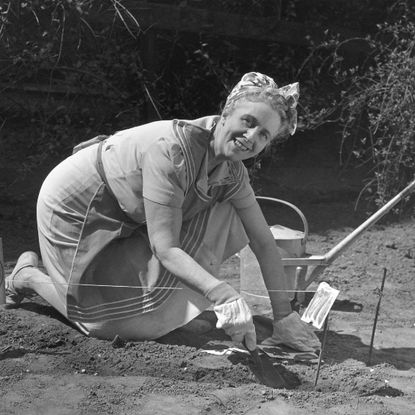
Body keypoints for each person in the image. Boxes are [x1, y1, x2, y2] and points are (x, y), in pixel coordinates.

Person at [5, 72, 320, 354]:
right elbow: (166, 247)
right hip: (79, 202)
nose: (252, 137)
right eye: (248, 122)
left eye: (264, 134)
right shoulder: (173, 151)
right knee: (102, 325)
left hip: (131, 212)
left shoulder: (232, 172)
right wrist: (223, 294)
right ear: (226, 113)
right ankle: (28, 277)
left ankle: (165, 312)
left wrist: (284, 315)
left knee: (233, 211)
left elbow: (263, 241)